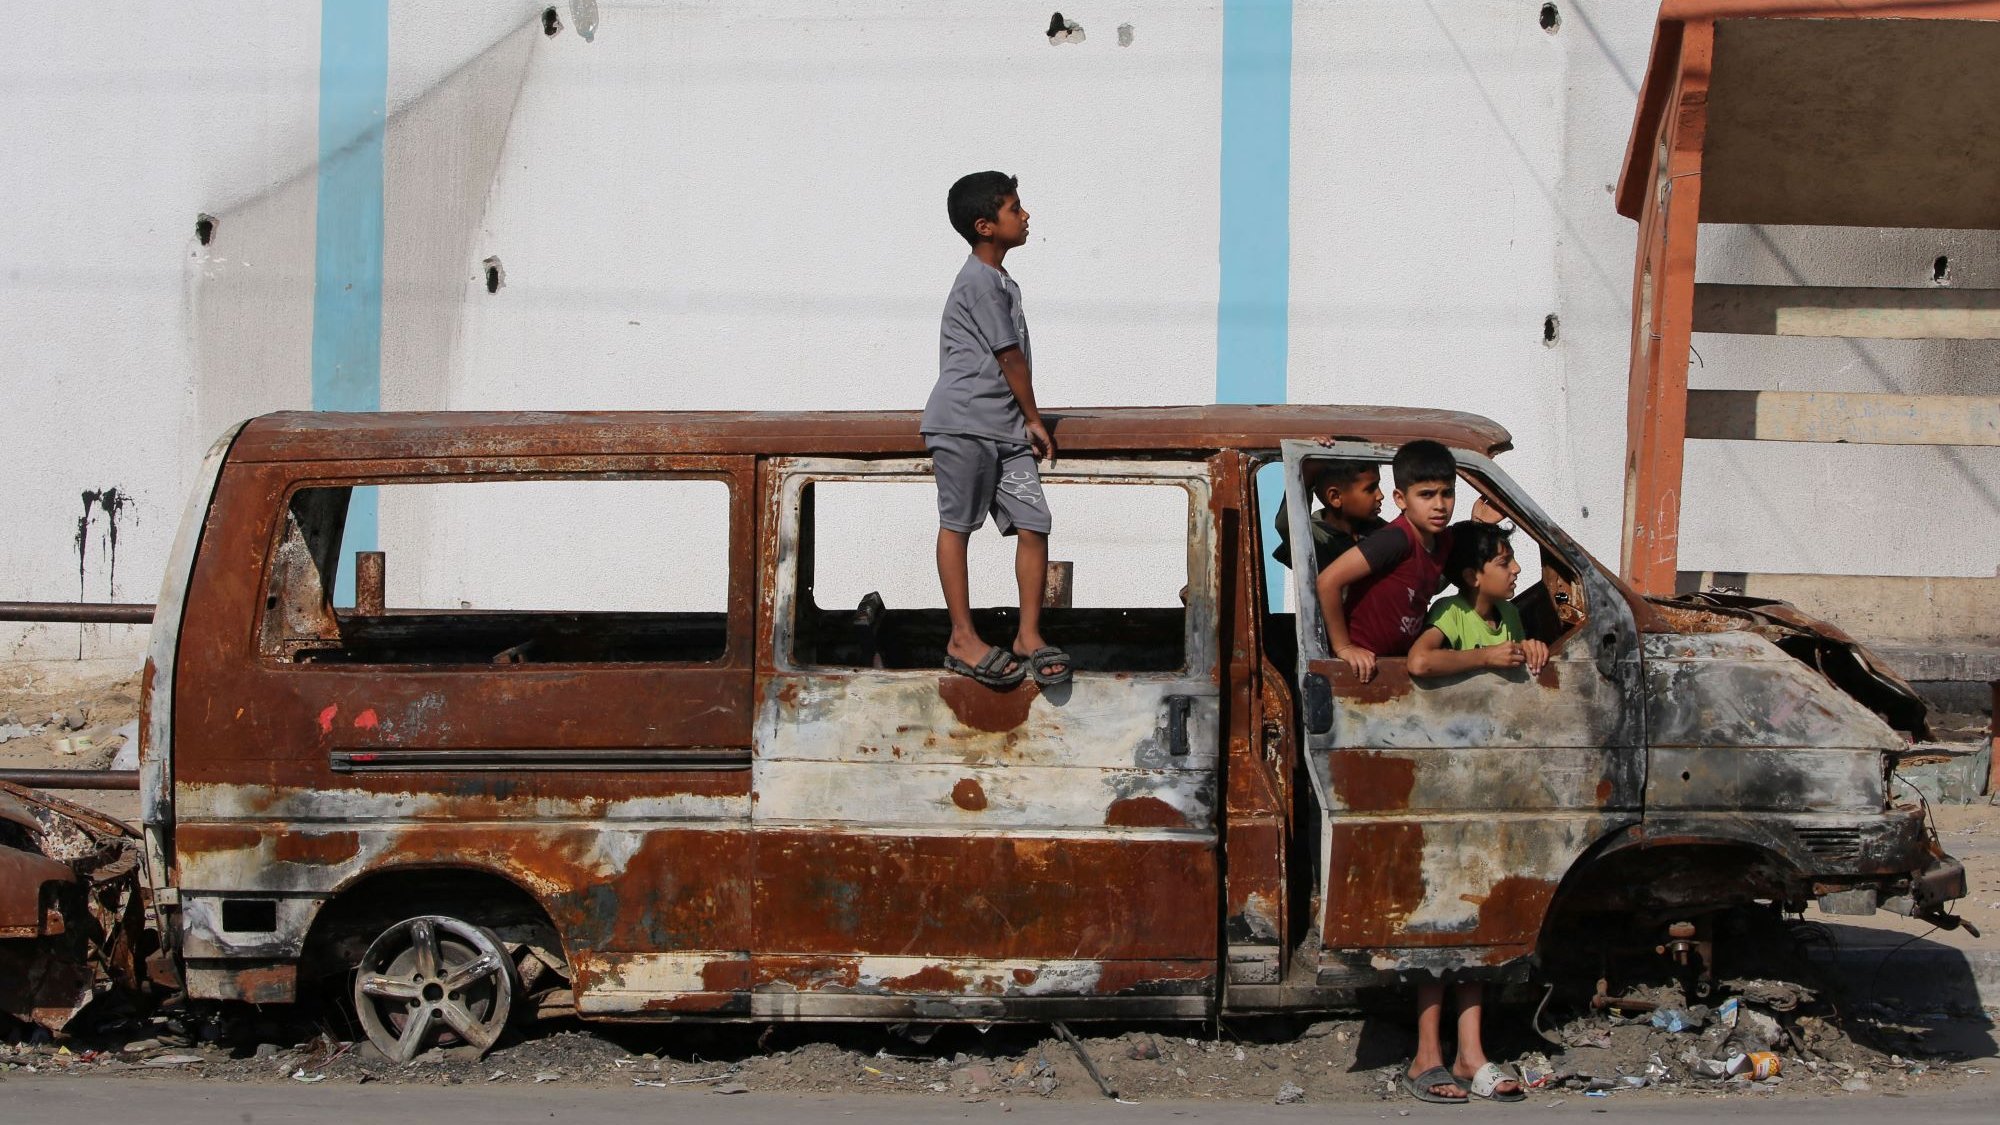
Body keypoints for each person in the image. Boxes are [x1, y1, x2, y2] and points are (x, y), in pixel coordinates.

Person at [1392, 520, 1543, 1104]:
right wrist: (1482, 656)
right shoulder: (1451, 615)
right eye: (1505, 562)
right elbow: (1419, 664)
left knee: (1475, 920)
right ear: (1473, 575)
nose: (1515, 571)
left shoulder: (1508, 616)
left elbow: (1523, 659)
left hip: (1486, 780)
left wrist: (1531, 647)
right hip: (1439, 779)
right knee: (1438, 921)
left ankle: (1470, 1053)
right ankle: (1425, 1055)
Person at [920, 171, 1071, 688]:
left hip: (1005, 428)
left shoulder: (1003, 281)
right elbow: (1008, 356)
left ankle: (1027, 634)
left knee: (1035, 523)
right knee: (957, 526)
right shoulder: (979, 282)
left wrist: (1022, 420)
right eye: (1014, 208)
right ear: (986, 225)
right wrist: (1034, 417)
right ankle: (962, 636)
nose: (1025, 216)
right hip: (965, 423)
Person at [1314, 440, 1476, 683]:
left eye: (1447, 493)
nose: (1440, 505)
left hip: (1394, 665)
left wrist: (1480, 523)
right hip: (1359, 667)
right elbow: (1328, 582)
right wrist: (1345, 648)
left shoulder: (1443, 541)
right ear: (1401, 499)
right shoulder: (1395, 539)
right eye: (1426, 495)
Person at [1270, 457, 1385, 574]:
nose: (1380, 495)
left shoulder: (1380, 529)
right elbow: (1287, 525)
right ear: (1335, 497)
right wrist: (1305, 473)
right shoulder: (1314, 537)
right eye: (1370, 489)